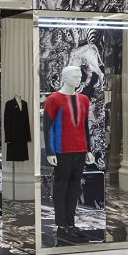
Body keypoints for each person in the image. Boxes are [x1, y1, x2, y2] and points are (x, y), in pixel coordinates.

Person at [43, 66, 95, 241]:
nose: (79, 78)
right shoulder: (53, 100)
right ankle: (61, 226)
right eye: (75, 75)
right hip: (62, 151)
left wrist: (88, 149)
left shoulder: (84, 100)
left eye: (80, 76)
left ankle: (70, 225)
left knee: (73, 189)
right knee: (61, 188)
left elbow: (85, 127)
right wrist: (50, 151)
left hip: (79, 150)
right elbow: (48, 128)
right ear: (65, 77)